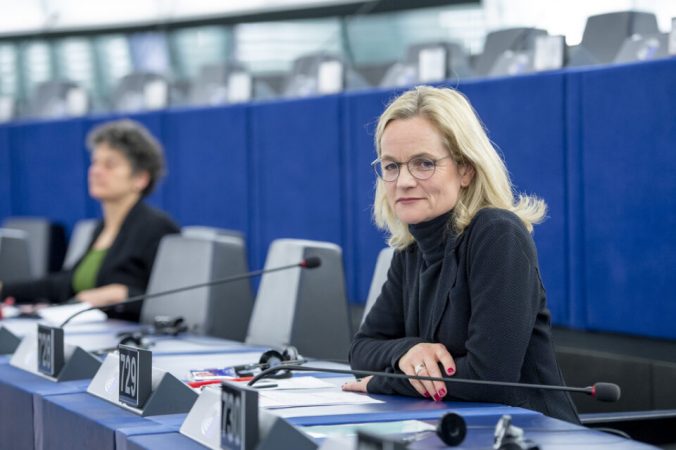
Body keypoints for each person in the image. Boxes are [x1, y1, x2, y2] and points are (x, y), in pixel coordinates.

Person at [342, 86, 579, 423]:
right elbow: (362, 350)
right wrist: (408, 351)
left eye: (424, 163)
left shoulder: (497, 234)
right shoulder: (412, 248)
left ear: (465, 169)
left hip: (528, 433)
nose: (403, 181)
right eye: (391, 166)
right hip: (454, 429)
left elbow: (488, 378)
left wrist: (383, 382)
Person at [0, 119, 180, 321]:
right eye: (95, 162)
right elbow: (64, 284)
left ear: (141, 178)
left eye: (109, 165)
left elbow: (173, 301)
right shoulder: (100, 228)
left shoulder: (157, 227)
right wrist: (5, 288)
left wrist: (121, 294)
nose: (95, 170)